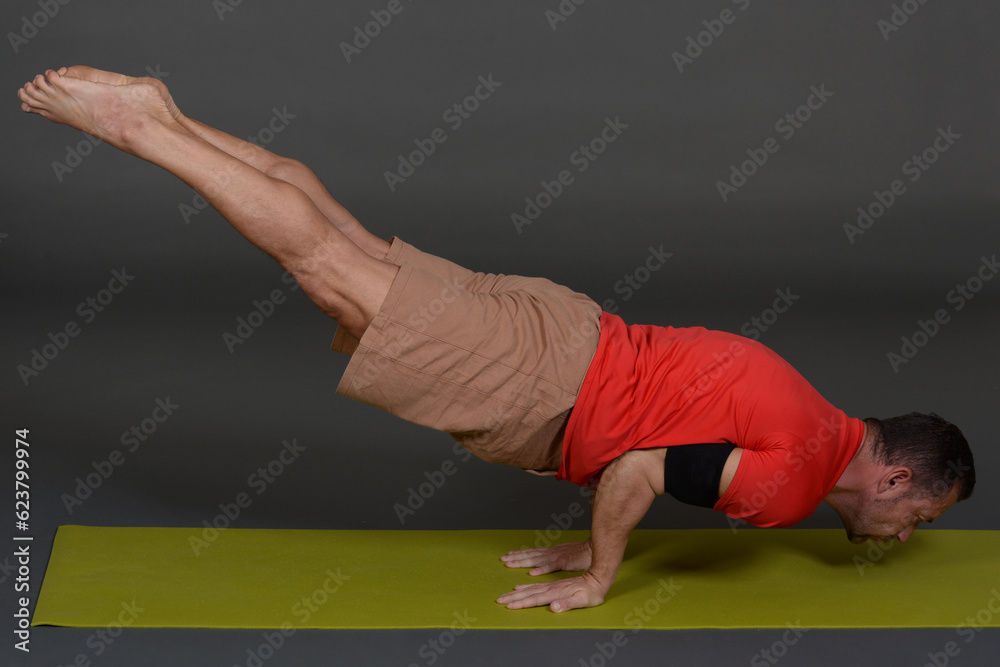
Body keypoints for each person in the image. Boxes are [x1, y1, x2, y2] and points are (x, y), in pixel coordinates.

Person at [18, 67, 976, 614]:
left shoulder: (817, 417)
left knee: (342, 252)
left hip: (569, 327)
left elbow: (660, 441)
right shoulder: (796, 485)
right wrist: (602, 572)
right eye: (919, 519)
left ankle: (168, 110)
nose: (902, 536)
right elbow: (640, 466)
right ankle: (140, 128)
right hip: (541, 376)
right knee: (324, 265)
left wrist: (598, 528)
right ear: (895, 481)